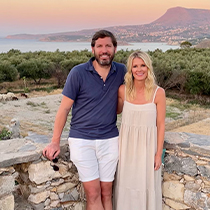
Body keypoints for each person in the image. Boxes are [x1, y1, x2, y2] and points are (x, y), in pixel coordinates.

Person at [43, 30, 126, 210]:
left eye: (108, 46)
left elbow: (121, 107)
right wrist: (55, 142)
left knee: (106, 192)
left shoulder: (121, 71)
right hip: (82, 141)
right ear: (92, 49)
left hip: (110, 140)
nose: (104, 50)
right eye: (100, 46)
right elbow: (64, 109)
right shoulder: (78, 72)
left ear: (115, 49)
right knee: (93, 193)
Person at [114, 50, 165, 210]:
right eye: (135, 66)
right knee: (126, 186)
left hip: (148, 149)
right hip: (126, 149)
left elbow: (161, 124)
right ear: (130, 70)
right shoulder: (123, 90)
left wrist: (158, 154)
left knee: (146, 186)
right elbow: (116, 111)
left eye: (143, 65)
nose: (139, 69)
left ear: (148, 67)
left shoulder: (159, 93)